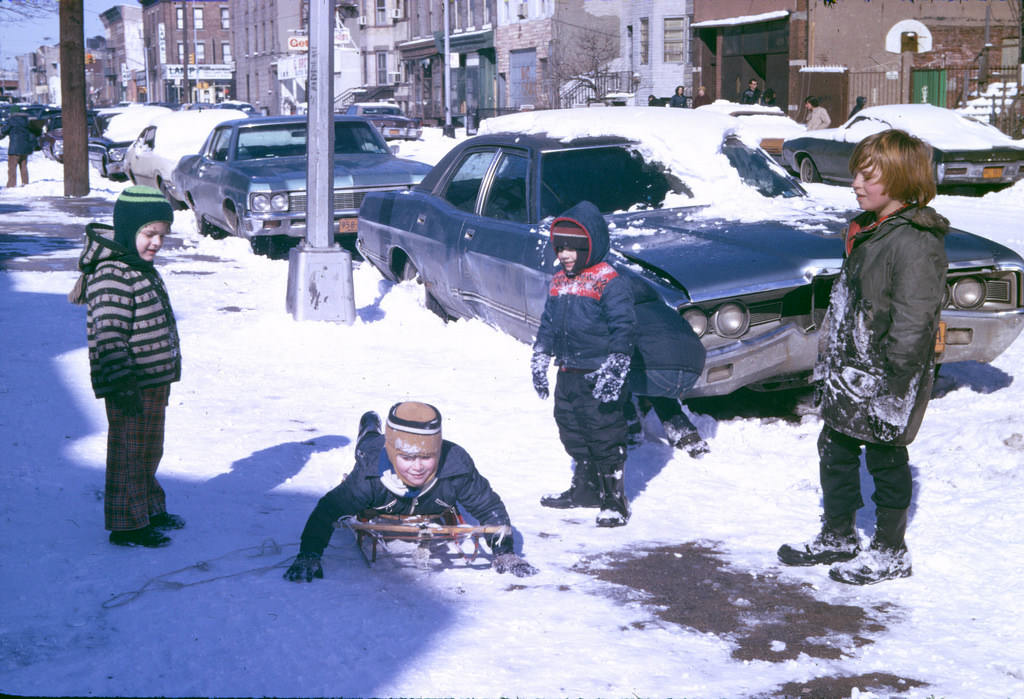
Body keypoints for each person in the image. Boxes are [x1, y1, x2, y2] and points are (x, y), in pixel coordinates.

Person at [777, 129, 948, 585]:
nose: (856, 182)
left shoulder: (914, 242)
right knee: (835, 445)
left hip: (889, 373)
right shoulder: (870, 229)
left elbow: (914, 322)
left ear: (901, 180)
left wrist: (894, 387)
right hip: (853, 367)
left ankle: (892, 551)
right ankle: (839, 535)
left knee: (885, 456)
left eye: (869, 175)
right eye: (857, 172)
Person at [284, 402, 538, 581]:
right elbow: (327, 510)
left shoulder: (456, 467)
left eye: (427, 457)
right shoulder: (370, 475)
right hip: (374, 449)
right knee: (369, 441)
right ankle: (370, 425)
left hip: (428, 500)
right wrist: (309, 554)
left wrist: (505, 553)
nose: (417, 467)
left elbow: (489, 506)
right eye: (406, 458)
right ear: (394, 454)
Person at [68, 186, 183, 548]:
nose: (156, 243)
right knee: (128, 451)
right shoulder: (113, 274)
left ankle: (147, 506)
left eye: (161, 235)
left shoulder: (137, 266)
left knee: (149, 448)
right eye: (149, 234)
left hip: (151, 380)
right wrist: (122, 384)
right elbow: (109, 337)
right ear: (127, 230)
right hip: (129, 383)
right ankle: (126, 525)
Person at [531, 201, 636, 527]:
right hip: (568, 372)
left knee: (603, 434)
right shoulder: (559, 280)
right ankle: (585, 491)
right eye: (560, 247)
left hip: (598, 373)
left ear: (592, 246)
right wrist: (540, 355)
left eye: (574, 248)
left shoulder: (609, 281)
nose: (564, 254)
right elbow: (548, 322)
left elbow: (624, 326)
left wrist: (616, 365)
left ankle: (614, 500)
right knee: (572, 430)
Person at [1, 106, 35, 187]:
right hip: (25, 148)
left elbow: (4, 131)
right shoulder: (26, 121)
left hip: (14, 148)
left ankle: (11, 184)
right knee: (23, 166)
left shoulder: (12, 121)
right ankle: (25, 183)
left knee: (12, 167)